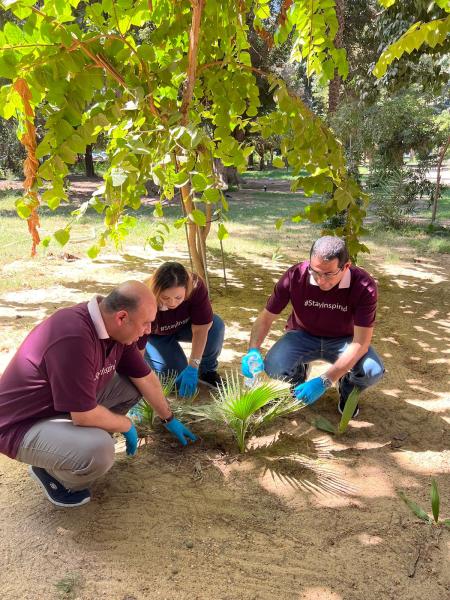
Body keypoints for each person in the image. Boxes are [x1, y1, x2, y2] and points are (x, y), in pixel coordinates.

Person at [0, 281, 197, 508]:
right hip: (19, 425)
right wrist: (124, 424)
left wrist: (169, 418)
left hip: (58, 408)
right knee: (99, 450)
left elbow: (145, 378)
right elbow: (83, 416)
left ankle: (65, 446)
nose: (148, 331)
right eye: (145, 323)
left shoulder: (113, 331)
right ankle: (54, 474)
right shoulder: (74, 336)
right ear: (122, 317)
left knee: (131, 386)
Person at [241, 236, 385, 415]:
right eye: (315, 271)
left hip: (345, 341)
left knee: (372, 370)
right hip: (302, 335)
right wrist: (253, 350)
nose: (320, 280)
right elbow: (266, 317)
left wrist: (325, 380)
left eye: (328, 274)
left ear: (346, 266)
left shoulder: (363, 285)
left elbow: (360, 343)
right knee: (274, 366)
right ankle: (298, 377)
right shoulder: (295, 276)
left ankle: (346, 386)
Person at [137, 262, 225, 397]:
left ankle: (207, 371)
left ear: (187, 290)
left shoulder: (196, 287)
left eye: (178, 298)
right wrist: (137, 377)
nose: (172, 303)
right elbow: (138, 345)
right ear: (157, 291)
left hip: (184, 325)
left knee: (216, 326)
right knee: (175, 378)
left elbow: (201, 328)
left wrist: (193, 366)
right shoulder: (144, 297)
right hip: (156, 335)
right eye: (165, 298)